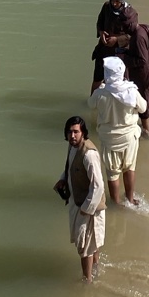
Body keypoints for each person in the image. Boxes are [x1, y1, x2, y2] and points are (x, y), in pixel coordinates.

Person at [91, 0, 149, 135]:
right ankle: (95, 106)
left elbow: (131, 36)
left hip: (120, 55)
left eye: (117, 1)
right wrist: (101, 33)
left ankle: (131, 121)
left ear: (122, 1)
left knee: (121, 86)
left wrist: (117, 40)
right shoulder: (106, 7)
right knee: (97, 77)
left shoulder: (131, 15)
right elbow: (100, 23)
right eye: (113, 0)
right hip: (104, 49)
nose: (114, 3)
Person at [89, 56, 147, 206]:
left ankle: (116, 203)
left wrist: (101, 87)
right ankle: (130, 199)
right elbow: (143, 108)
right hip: (129, 137)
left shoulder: (100, 93)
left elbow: (90, 105)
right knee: (129, 168)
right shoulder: (131, 92)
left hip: (109, 139)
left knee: (112, 173)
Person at [54, 116, 105, 283]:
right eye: (69, 132)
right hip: (77, 202)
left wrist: (86, 209)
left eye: (76, 132)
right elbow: (70, 167)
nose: (72, 135)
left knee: (84, 247)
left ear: (83, 132)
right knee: (91, 243)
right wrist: (63, 179)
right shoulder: (72, 147)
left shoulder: (89, 154)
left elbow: (98, 186)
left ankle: (87, 281)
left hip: (88, 207)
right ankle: (96, 269)